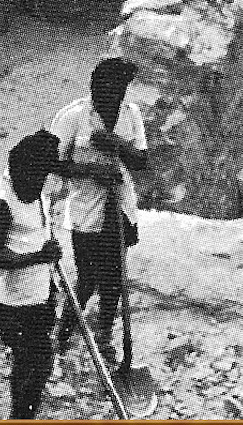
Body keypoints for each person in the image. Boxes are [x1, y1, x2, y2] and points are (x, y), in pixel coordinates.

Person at [48, 57, 148, 367]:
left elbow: (141, 161)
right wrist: (91, 170)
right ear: (94, 87)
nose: (113, 99)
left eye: (119, 93)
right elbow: (52, 163)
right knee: (87, 277)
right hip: (86, 210)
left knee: (114, 279)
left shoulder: (130, 115)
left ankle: (104, 336)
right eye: (107, 92)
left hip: (120, 208)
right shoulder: (72, 118)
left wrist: (118, 144)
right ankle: (63, 334)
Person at [0, 129, 65, 421]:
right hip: (13, 302)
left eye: (44, 177)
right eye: (37, 177)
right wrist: (38, 257)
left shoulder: (35, 186)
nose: (40, 183)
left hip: (40, 292)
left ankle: (26, 413)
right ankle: (20, 416)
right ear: (20, 171)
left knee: (40, 363)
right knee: (29, 362)